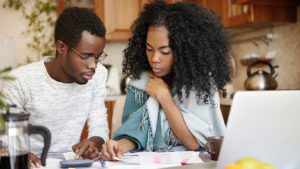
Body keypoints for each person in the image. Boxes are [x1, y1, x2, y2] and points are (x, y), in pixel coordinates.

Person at [101, 1, 231, 160]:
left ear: (183, 51)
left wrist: (163, 96)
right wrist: (118, 146)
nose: (154, 59)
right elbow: (135, 132)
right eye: (149, 49)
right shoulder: (141, 81)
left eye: (165, 51)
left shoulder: (199, 82)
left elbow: (192, 143)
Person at [2, 7, 109, 167]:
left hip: (70, 163)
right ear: (61, 47)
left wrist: (94, 142)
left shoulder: (98, 75)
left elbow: (99, 123)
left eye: (98, 57)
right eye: (85, 56)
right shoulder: (20, 81)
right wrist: (21, 155)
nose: (93, 65)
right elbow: (4, 136)